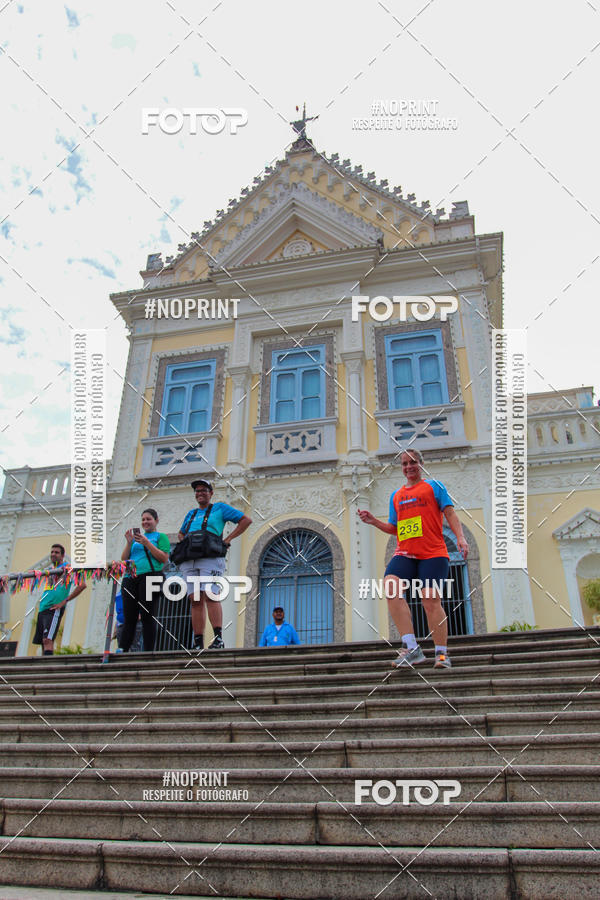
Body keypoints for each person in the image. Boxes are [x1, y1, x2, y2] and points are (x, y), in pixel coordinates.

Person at [358, 449, 468, 670]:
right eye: (404, 464)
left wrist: (461, 538)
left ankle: (441, 653)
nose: (409, 467)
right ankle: (411, 648)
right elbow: (395, 528)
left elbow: (450, 513)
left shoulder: (434, 487)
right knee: (390, 587)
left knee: (430, 600)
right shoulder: (396, 496)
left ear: (421, 463)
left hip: (433, 553)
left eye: (413, 462)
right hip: (405, 553)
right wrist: (374, 521)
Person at [177, 479, 251, 650]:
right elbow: (181, 533)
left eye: (204, 490)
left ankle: (218, 639)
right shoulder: (191, 514)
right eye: (197, 491)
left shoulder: (220, 508)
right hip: (190, 559)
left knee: (211, 595)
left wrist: (228, 539)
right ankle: (198, 641)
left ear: (211, 493)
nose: (200, 493)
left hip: (210, 557)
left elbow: (245, 520)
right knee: (195, 599)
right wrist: (187, 543)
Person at [119, 508, 170, 653]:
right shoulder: (136, 540)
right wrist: (129, 543)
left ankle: (148, 650)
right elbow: (124, 560)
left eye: (148, 519)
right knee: (129, 616)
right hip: (131, 578)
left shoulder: (160, 537)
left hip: (150, 577)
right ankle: (123, 648)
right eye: (143, 519)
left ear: (156, 521)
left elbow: (163, 558)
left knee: (147, 615)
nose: (145, 522)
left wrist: (147, 543)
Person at [32, 544, 87, 655]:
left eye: (56, 552)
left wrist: (64, 601)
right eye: (52, 552)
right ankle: (43, 664)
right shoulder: (50, 570)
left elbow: (82, 585)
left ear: (62, 555)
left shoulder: (68, 568)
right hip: (43, 608)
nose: (53, 554)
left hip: (54, 608)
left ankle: (48, 665)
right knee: (42, 642)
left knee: (47, 640)